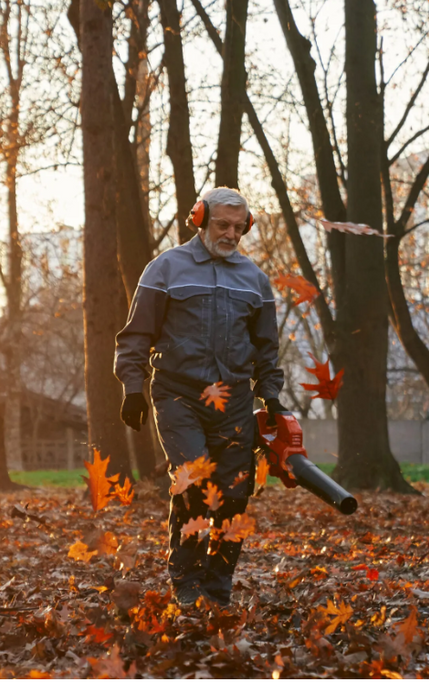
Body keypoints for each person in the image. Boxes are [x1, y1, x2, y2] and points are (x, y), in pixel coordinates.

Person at [114, 187, 286, 608]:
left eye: (237, 227)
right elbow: (136, 335)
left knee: (236, 493)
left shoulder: (255, 281)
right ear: (201, 220)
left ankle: (218, 583)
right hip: (178, 394)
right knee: (193, 479)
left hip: (235, 402)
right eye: (221, 224)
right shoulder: (165, 269)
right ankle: (187, 581)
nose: (229, 233)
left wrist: (271, 396)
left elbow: (266, 348)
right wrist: (132, 388)